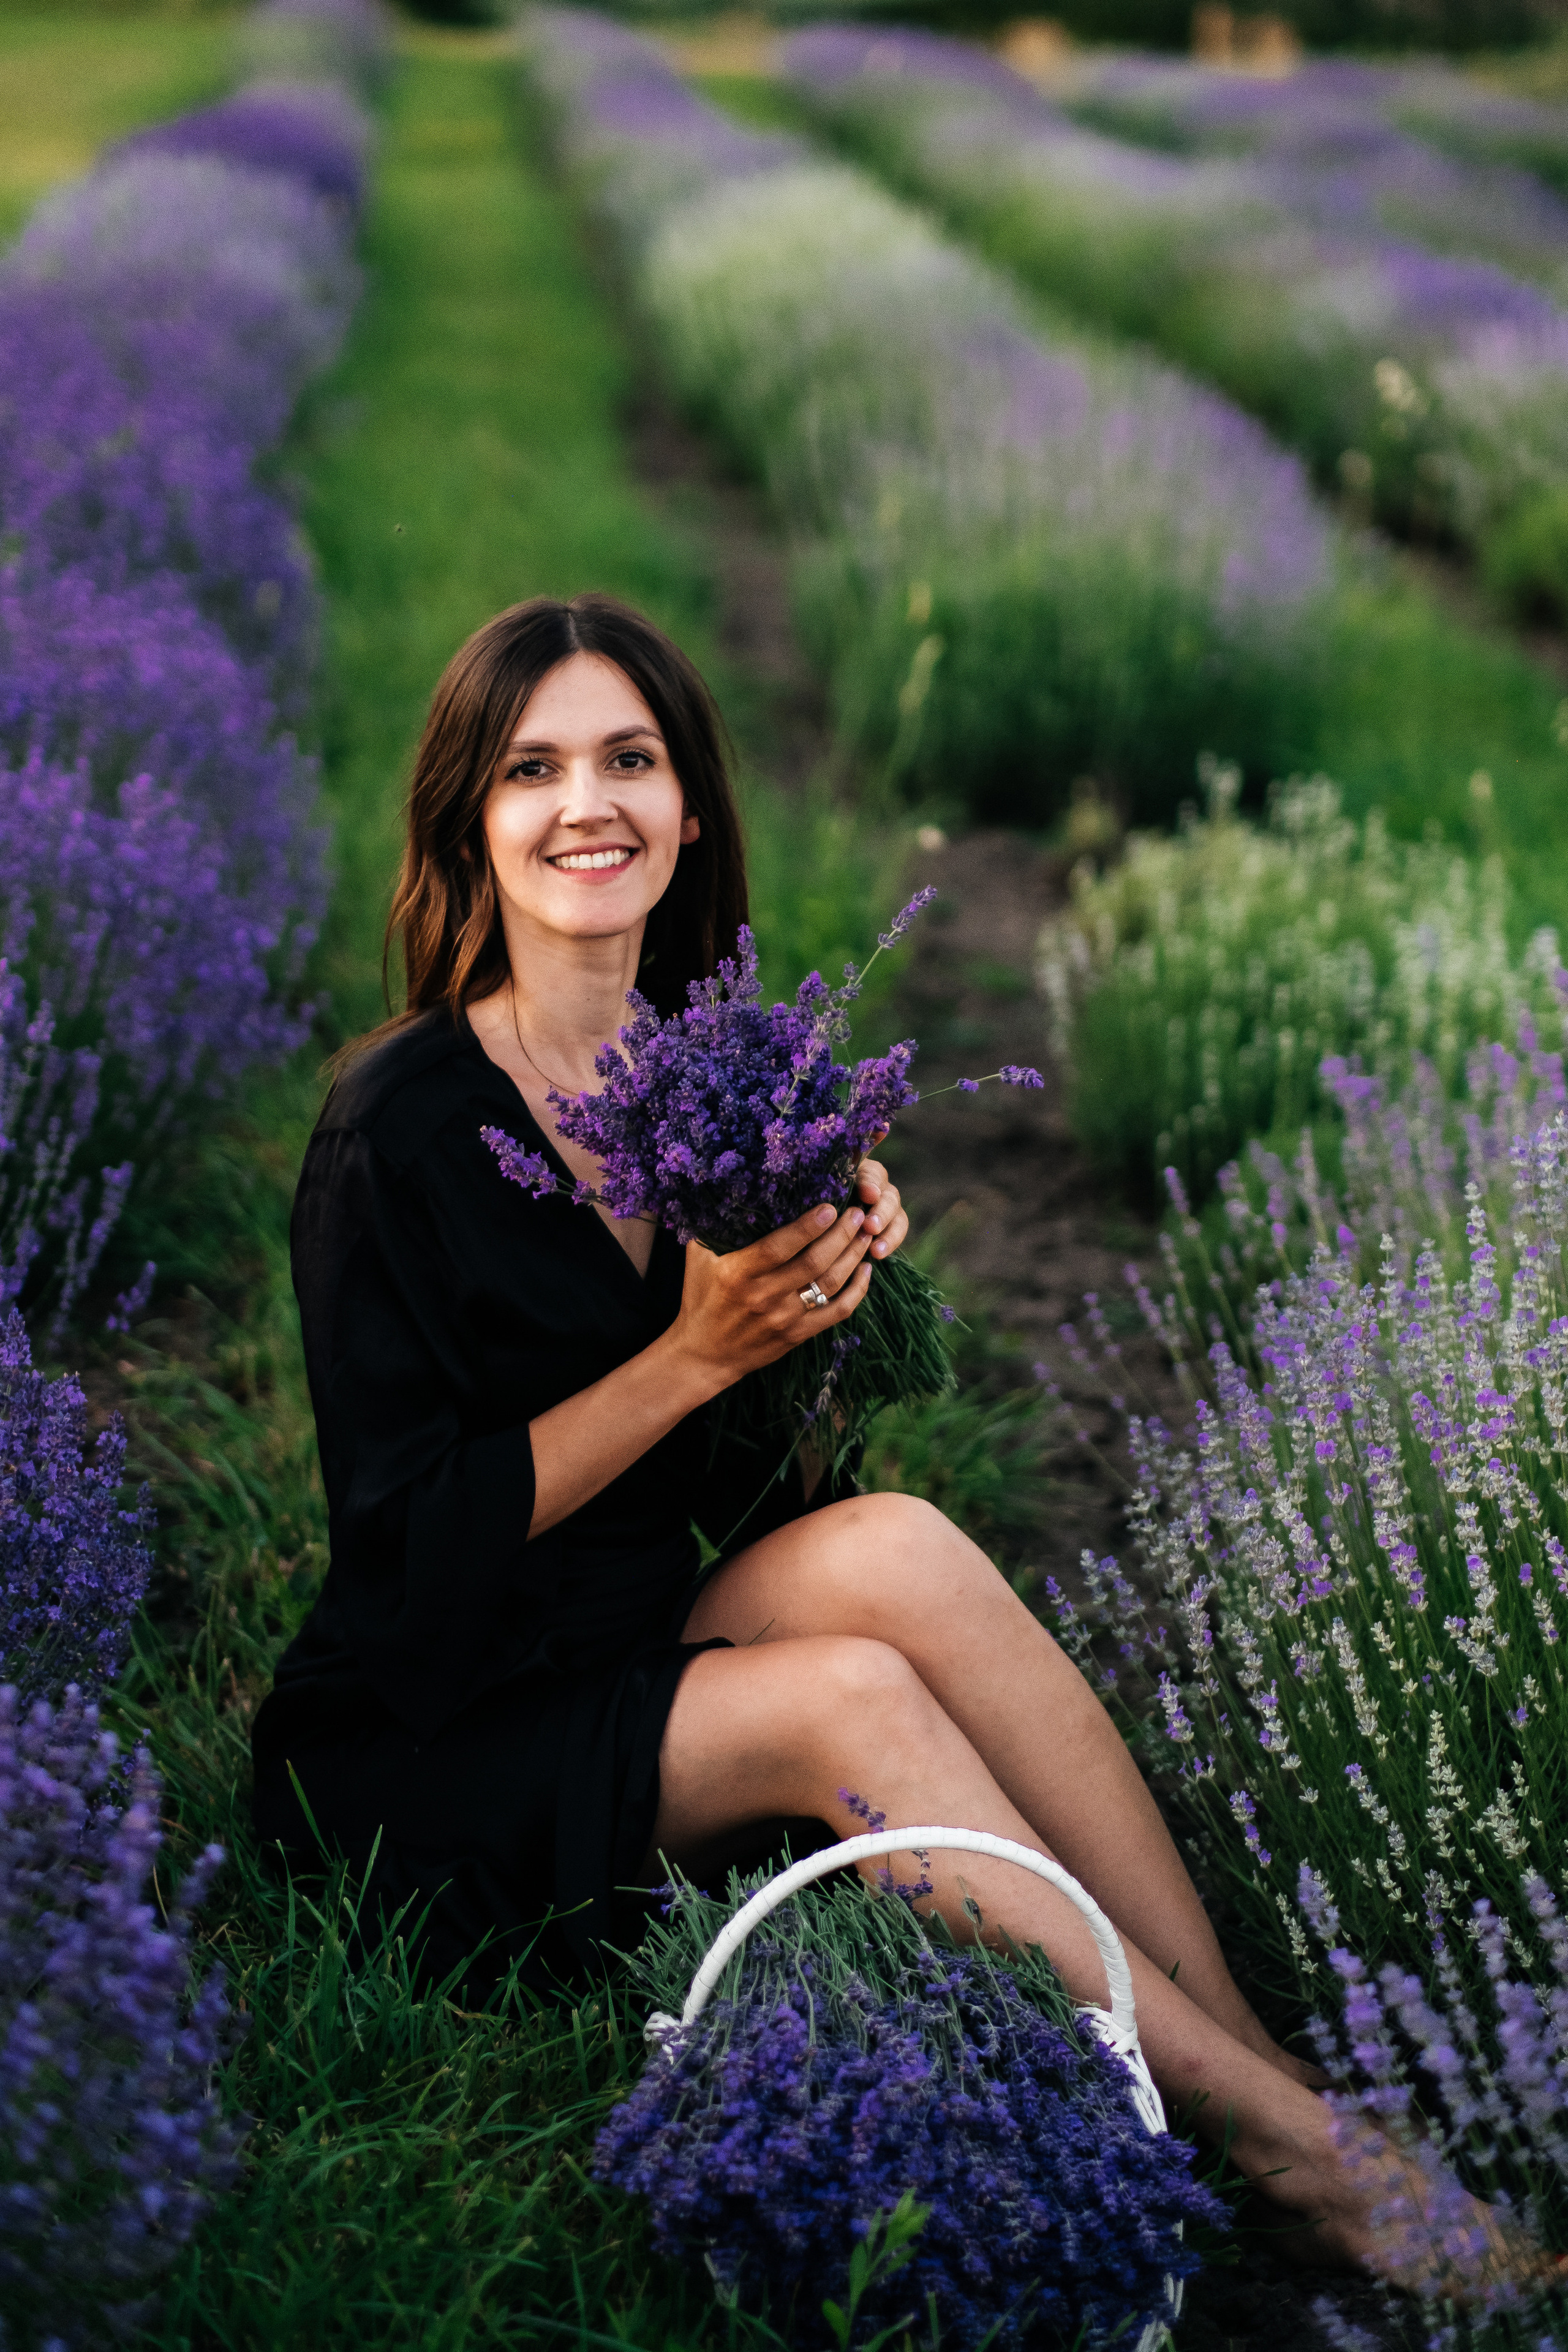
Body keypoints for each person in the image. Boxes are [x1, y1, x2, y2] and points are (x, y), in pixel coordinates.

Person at [253, 591, 1542, 2301]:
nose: (589, 806)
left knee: (902, 1548)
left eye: (629, 758)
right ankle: (1299, 2155)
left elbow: (749, 1492)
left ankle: (1243, 2059)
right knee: (847, 1696)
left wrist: (818, 1312)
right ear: (471, 824)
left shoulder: (703, 1079)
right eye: (533, 769)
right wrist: (697, 1350)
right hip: (428, 1736)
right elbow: (408, 1551)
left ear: (690, 804)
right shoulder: (395, 1129)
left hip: (618, 1633)